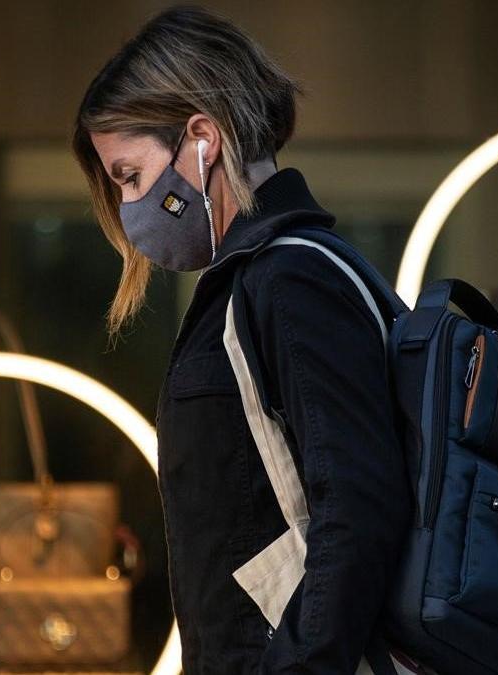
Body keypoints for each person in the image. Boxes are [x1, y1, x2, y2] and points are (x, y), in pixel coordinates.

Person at [72, 6, 421, 674]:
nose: (129, 210)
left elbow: (357, 509)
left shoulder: (289, 278)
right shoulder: (261, 280)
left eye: (132, 176)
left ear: (201, 139)